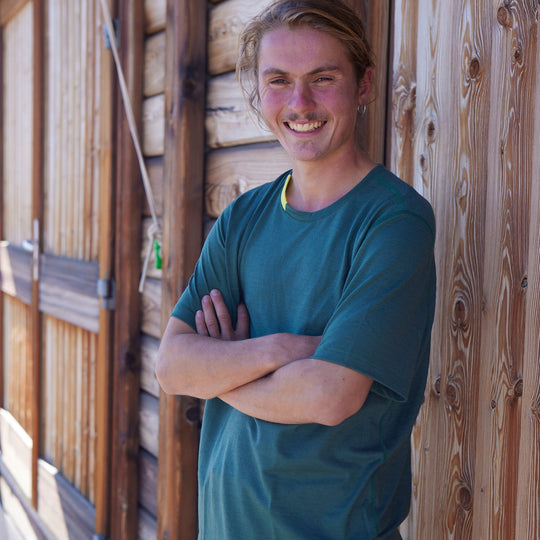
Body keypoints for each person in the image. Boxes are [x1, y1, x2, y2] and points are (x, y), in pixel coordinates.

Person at [156, 1, 436, 538]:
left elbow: (329, 396)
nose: (300, 102)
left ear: (364, 85)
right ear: (259, 93)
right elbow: (172, 367)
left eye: (323, 78)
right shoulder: (243, 218)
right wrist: (279, 350)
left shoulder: (393, 221)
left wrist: (221, 371)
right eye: (279, 80)